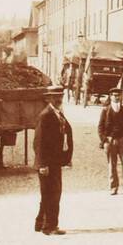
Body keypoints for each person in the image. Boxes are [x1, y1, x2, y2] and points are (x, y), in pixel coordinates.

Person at [34, 86, 73, 234]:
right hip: (47, 163)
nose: (59, 98)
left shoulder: (58, 113)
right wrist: (42, 164)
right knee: (52, 194)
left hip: (55, 161)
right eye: (55, 96)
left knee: (49, 193)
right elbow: (39, 142)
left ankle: (40, 223)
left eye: (61, 95)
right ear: (48, 98)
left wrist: (66, 158)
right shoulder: (46, 115)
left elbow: (64, 136)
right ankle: (49, 227)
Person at [98, 86, 123, 194]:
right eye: (114, 95)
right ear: (110, 96)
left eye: (119, 95)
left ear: (121, 96)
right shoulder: (105, 110)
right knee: (112, 164)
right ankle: (113, 187)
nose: (117, 97)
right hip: (111, 140)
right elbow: (100, 127)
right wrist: (104, 139)